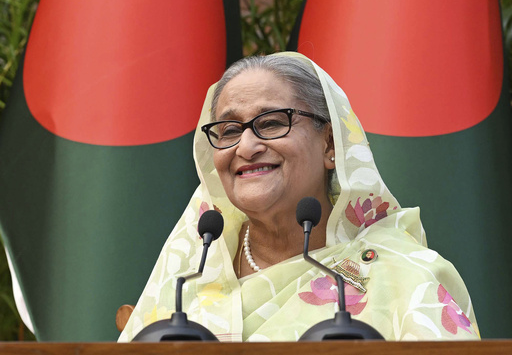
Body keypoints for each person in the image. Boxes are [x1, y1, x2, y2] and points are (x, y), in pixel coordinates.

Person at [118, 52, 479, 342]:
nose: (246, 146)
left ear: (330, 144)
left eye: (272, 123)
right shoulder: (190, 271)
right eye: (228, 130)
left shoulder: (403, 277)